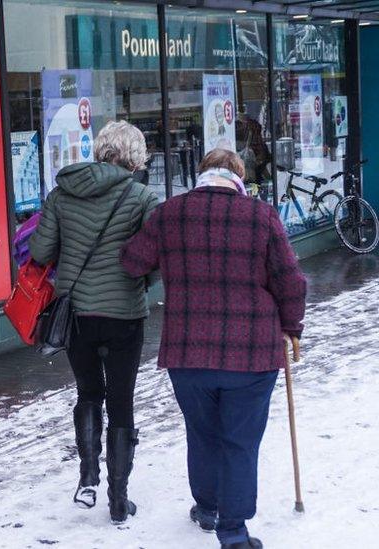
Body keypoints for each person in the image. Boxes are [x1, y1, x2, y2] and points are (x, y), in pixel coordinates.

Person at [121, 149, 307, 549]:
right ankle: (234, 532)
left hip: (188, 352)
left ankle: (206, 508)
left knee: (202, 432)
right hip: (252, 353)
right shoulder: (261, 216)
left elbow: (133, 262)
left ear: (201, 174)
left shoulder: (170, 213)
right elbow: (290, 281)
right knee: (239, 441)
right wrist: (291, 327)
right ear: (237, 177)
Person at [29, 120, 160, 523]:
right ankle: (118, 500)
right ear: (135, 157)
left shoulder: (62, 192)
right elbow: (156, 257)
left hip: (77, 314)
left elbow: (40, 249)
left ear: (101, 149)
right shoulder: (142, 197)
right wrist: (138, 283)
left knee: (88, 393)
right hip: (124, 314)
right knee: (121, 402)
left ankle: (87, 476)